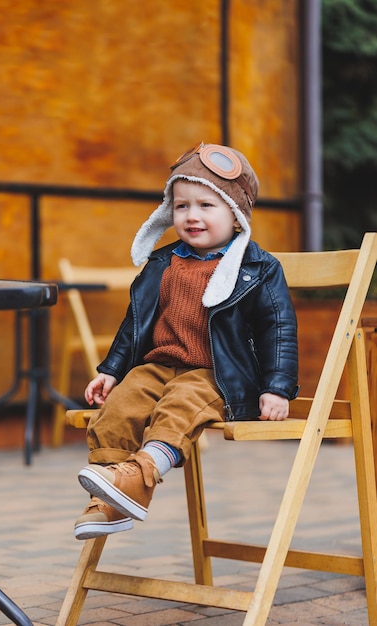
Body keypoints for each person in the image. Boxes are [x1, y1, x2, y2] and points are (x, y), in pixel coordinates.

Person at [74, 141, 299, 540]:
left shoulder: (258, 268)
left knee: (179, 405)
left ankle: (139, 475)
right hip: (158, 365)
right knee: (122, 404)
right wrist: (111, 371)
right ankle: (111, 499)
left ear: (236, 214)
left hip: (217, 375)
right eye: (181, 206)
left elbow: (277, 330)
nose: (192, 216)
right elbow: (134, 325)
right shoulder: (162, 262)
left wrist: (277, 388)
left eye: (206, 206)